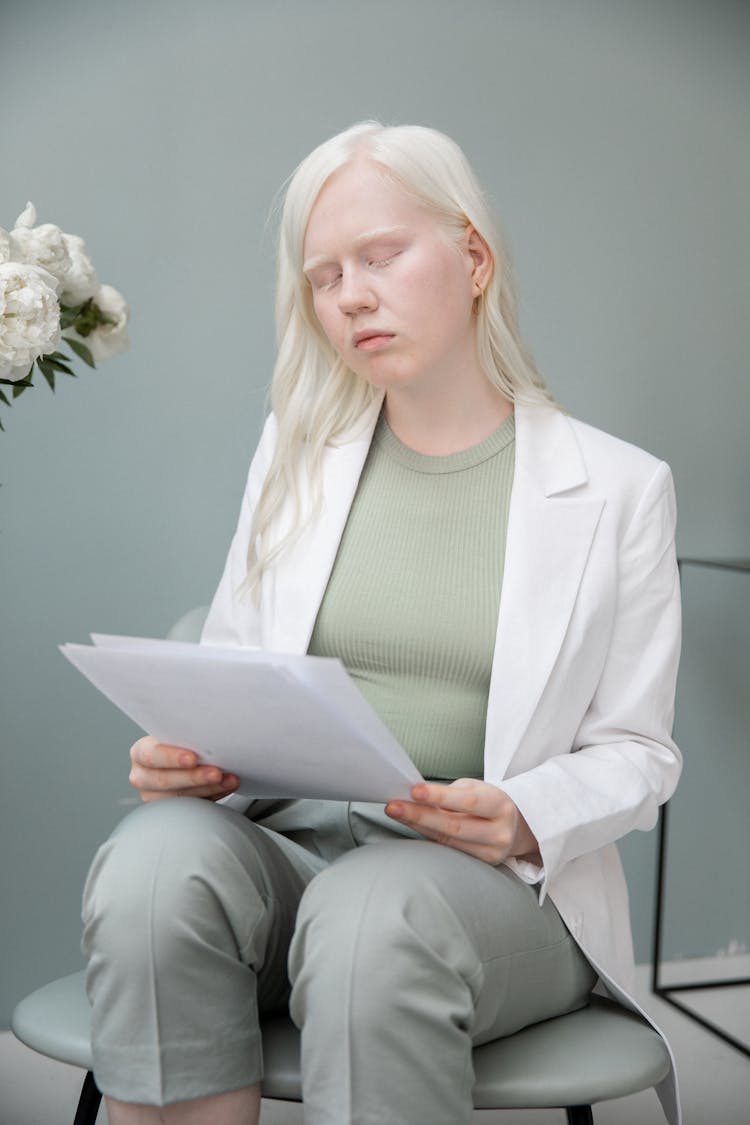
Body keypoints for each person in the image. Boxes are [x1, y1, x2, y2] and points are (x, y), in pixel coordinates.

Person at [82, 121, 682, 1125]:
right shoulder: (294, 454)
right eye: (322, 276)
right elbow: (235, 669)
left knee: (374, 915)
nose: (350, 294)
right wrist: (189, 756)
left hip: (485, 894)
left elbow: (636, 751)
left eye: (381, 255)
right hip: (292, 853)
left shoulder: (620, 489)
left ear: (473, 258)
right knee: (152, 864)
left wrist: (527, 812)